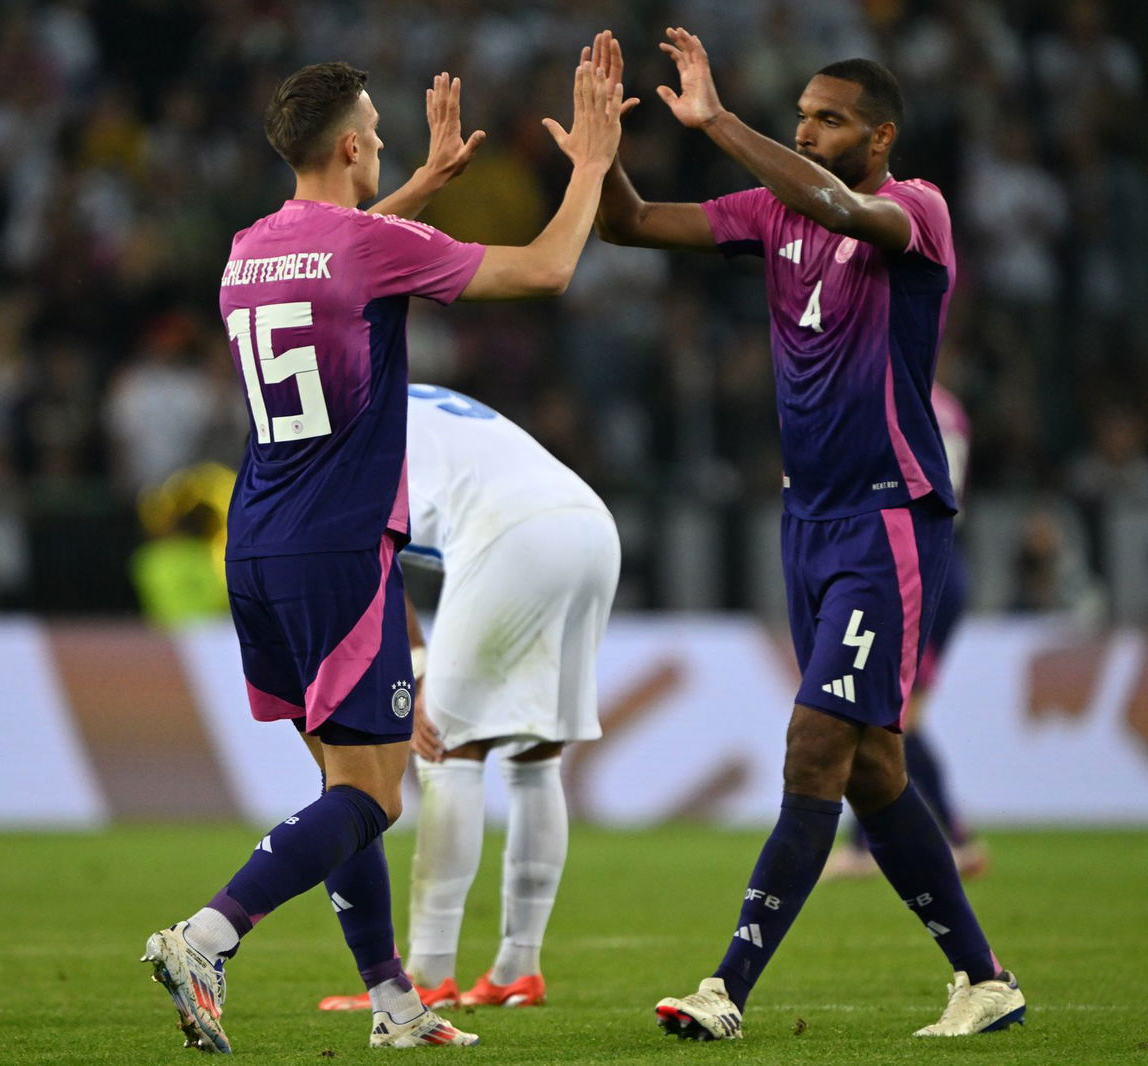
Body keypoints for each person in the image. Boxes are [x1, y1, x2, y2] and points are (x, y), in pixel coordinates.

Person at [140, 53, 629, 1054]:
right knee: (373, 792)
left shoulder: (245, 250)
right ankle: (207, 935)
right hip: (339, 543)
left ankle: (393, 1001)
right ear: (354, 145)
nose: (388, 146)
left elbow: (337, 253)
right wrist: (592, 167)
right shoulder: (373, 247)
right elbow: (543, 269)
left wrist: (416, 194)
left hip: (259, 540)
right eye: (378, 131)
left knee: (341, 786)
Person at [591, 29, 1025, 1040]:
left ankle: (724, 988)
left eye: (827, 118)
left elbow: (833, 204)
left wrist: (718, 122)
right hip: (807, 520)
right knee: (873, 767)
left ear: (879, 136)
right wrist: (600, 152)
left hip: (886, 517)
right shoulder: (768, 212)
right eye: (800, 113)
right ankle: (983, 978)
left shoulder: (914, 211)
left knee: (814, 741)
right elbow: (629, 225)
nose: (807, 130)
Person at [316, 382, 620, 1014]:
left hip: (508, 533)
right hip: (590, 524)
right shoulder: (410, 391)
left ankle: (427, 973)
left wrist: (421, 670)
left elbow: (372, 564)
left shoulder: (341, 430)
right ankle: (518, 967)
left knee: (445, 747)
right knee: (537, 754)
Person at [822, 382, 989, 880]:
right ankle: (871, 843)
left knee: (892, 715)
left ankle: (954, 838)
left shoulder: (887, 398)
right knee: (883, 712)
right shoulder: (947, 403)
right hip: (939, 560)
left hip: (912, 566)